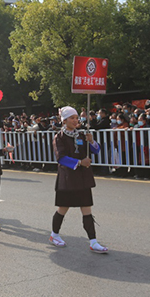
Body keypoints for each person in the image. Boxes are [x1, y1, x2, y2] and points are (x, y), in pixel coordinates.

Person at [50, 107, 108, 253]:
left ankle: (93, 241)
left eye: (77, 117)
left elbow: (96, 150)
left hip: (83, 178)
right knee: (63, 209)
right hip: (68, 179)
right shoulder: (59, 137)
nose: (76, 120)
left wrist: (92, 141)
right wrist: (80, 162)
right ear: (64, 120)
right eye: (72, 118)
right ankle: (54, 235)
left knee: (87, 210)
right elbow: (61, 158)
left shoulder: (82, 135)